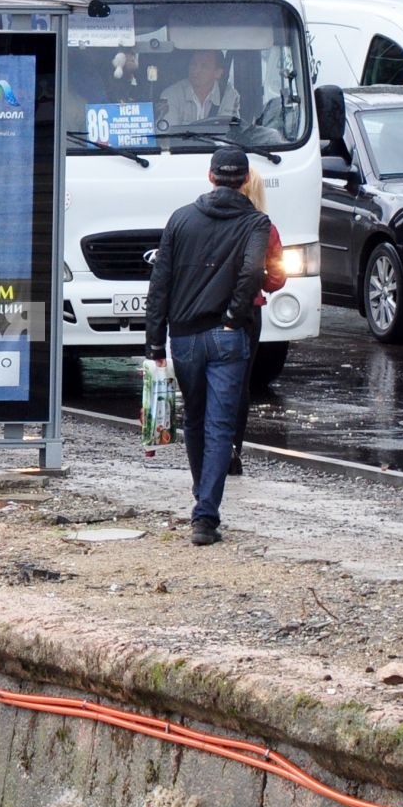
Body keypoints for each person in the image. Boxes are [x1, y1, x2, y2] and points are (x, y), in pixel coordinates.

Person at [144, 148, 270, 546]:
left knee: (195, 421)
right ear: (246, 179)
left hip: (183, 337)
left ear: (210, 176)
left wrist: (154, 342)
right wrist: (234, 316)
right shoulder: (256, 222)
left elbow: (159, 285)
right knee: (220, 425)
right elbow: (253, 271)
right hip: (228, 335)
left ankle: (203, 498)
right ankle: (205, 516)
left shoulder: (180, 219)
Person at [228, 168, 287, 475]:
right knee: (239, 383)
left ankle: (207, 448)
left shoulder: (205, 221)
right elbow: (277, 277)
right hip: (249, 312)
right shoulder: (266, 228)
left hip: (207, 309)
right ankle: (233, 451)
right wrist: (262, 280)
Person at [157, 50, 240, 127]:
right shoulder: (171, 95)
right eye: (193, 64)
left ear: (218, 73)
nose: (196, 70)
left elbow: (230, 132)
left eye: (204, 66)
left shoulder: (228, 95)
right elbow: (168, 135)